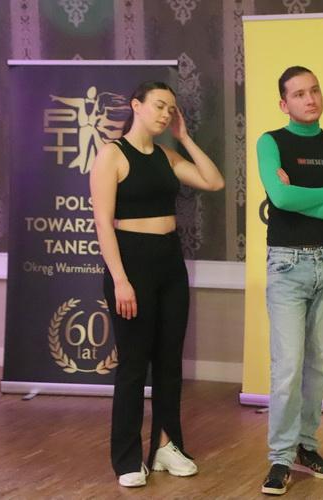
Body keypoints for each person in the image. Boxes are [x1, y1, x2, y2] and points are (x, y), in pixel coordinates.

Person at [90, 81, 224, 488]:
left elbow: (213, 181)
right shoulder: (112, 155)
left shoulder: (167, 156)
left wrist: (185, 138)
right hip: (131, 263)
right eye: (160, 106)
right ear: (136, 106)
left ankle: (166, 445)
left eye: (171, 109)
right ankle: (128, 458)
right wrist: (120, 281)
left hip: (169, 261)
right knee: (133, 366)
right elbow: (103, 224)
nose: (166, 114)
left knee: (169, 362)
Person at [256, 66, 323, 495]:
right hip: (287, 265)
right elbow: (280, 198)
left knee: (319, 366)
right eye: (299, 94)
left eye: (314, 90)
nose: (310, 98)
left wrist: (304, 195)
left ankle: (306, 446)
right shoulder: (271, 143)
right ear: (284, 104)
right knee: (287, 368)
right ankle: (280, 457)